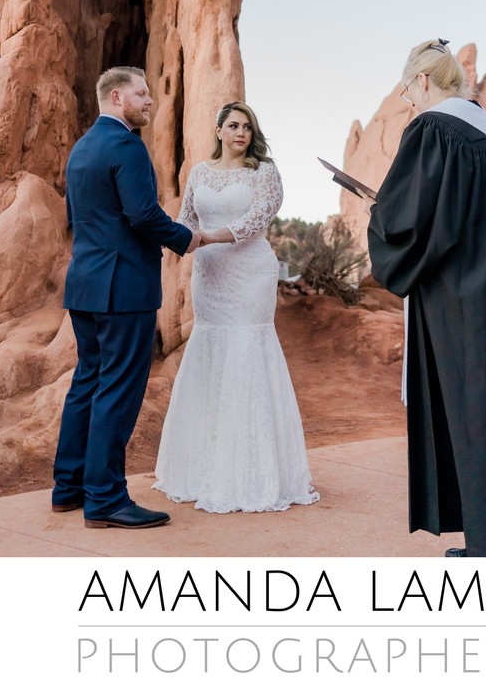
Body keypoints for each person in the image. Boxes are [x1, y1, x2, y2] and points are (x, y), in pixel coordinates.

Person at [365, 39, 486, 557]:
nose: (408, 101)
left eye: (409, 89)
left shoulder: (434, 129)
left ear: (427, 81)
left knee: (474, 419)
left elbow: (406, 219)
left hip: (459, 304)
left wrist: (380, 213)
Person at [51, 66, 200, 529]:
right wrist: (187, 238)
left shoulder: (82, 149)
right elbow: (142, 214)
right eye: (142, 93)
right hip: (125, 289)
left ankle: (68, 488)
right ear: (117, 97)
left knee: (87, 384)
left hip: (85, 285)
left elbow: (79, 216)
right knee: (117, 390)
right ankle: (106, 499)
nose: (150, 100)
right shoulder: (127, 146)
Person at [154, 101, 320, 513]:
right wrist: (182, 238)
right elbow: (187, 218)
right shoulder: (199, 173)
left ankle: (253, 472)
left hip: (249, 274)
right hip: (209, 277)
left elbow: (256, 221)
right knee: (211, 353)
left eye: (247, 126)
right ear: (219, 130)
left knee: (247, 351)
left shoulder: (265, 172)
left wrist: (207, 239)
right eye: (232, 125)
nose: (240, 133)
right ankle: (204, 470)